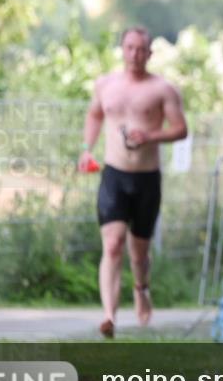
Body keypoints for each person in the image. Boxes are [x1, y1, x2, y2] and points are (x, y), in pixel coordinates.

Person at [79, 27, 188, 339]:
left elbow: (181, 129)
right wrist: (87, 149)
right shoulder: (105, 84)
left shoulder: (163, 89)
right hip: (114, 174)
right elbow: (94, 115)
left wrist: (149, 136)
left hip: (146, 179)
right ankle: (109, 316)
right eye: (129, 48)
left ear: (150, 53)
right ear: (122, 49)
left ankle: (141, 288)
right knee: (112, 245)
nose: (135, 55)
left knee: (138, 253)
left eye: (141, 49)